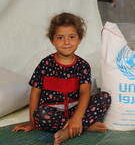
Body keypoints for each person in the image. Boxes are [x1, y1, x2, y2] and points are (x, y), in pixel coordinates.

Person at [12, 12, 111, 145]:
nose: (66, 42)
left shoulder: (83, 66)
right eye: (60, 37)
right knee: (41, 114)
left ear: (79, 39)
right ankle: (84, 126)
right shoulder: (45, 64)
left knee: (104, 97)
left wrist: (77, 117)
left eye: (71, 37)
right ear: (52, 40)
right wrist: (31, 122)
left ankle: (73, 127)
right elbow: (35, 93)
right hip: (52, 113)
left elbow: (85, 92)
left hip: (76, 110)